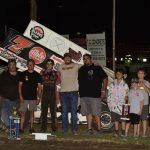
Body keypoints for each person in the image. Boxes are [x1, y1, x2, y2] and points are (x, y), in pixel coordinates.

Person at [78, 54, 108, 135]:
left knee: (96, 113)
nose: (85, 60)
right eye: (84, 59)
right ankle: (89, 129)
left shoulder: (97, 68)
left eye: (87, 58)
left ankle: (99, 129)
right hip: (84, 95)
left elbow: (105, 78)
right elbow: (80, 82)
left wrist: (103, 90)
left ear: (91, 59)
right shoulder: (81, 69)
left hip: (95, 95)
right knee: (88, 113)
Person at [57, 53, 81, 134]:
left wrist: (95, 63)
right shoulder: (60, 67)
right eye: (65, 58)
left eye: (68, 57)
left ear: (71, 58)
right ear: (64, 59)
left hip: (74, 92)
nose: (67, 59)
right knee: (64, 112)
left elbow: (85, 66)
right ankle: (65, 129)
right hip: (63, 92)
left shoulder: (76, 65)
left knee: (74, 112)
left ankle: (74, 130)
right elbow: (58, 76)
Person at [19, 59, 42, 133]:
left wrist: (39, 98)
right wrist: (21, 96)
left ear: (34, 65)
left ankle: (31, 128)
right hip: (24, 97)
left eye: (31, 64)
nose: (30, 65)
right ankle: (21, 129)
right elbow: (19, 86)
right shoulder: (23, 74)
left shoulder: (37, 75)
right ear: (27, 65)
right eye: (29, 64)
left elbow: (39, 88)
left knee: (32, 113)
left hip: (33, 97)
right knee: (23, 113)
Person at [107, 69, 129, 137]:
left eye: (120, 74)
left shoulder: (125, 84)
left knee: (122, 119)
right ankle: (116, 132)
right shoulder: (112, 83)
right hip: (113, 104)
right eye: (117, 74)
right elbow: (109, 93)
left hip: (122, 104)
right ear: (115, 75)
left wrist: (127, 97)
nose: (118, 75)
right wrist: (110, 102)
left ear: (122, 75)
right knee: (115, 119)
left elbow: (127, 93)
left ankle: (123, 132)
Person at [0, 59, 19, 130]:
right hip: (5, 99)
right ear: (8, 66)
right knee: (4, 114)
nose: (12, 66)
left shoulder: (20, 74)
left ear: (15, 65)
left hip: (16, 100)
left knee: (13, 115)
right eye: (10, 65)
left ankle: (11, 128)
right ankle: (11, 128)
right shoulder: (3, 74)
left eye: (13, 65)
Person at [40, 59, 58, 133]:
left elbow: (56, 82)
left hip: (52, 94)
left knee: (53, 112)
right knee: (44, 112)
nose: (49, 65)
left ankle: (54, 127)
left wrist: (57, 97)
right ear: (46, 65)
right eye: (48, 63)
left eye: (51, 63)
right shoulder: (42, 73)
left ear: (53, 65)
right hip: (45, 94)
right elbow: (40, 84)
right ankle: (43, 128)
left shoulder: (56, 73)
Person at [137, 68, 150, 137]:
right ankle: (138, 133)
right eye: (139, 73)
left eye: (142, 73)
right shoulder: (135, 82)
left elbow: (149, 91)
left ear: (144, 75)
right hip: (136, 104)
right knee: (138, 119)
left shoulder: (146, 82)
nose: (140, 75)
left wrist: (143, 85)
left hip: (144, 103)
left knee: (144, 119)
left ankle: (144, 134)